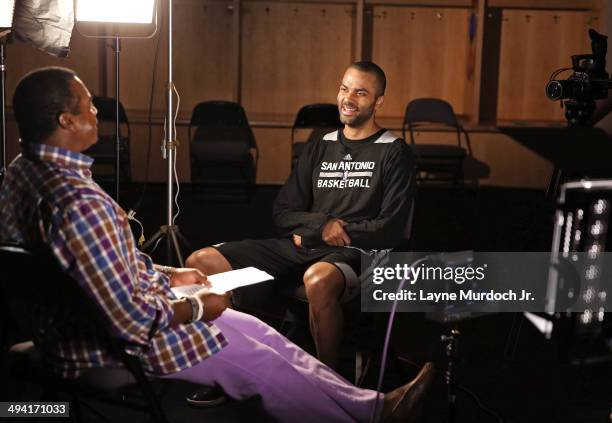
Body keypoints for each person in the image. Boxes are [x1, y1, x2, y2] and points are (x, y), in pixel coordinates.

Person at [0, 66, 431, 423]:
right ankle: (362, 419)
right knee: (262, 362)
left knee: (257, 331)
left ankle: (371, 404)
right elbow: (130, 321)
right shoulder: (81, 201)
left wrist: (169, 275)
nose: (96, 110)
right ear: (66, 122)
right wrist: (197, 307)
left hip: (72, 327)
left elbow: (96, 266)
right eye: (87, 105)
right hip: (111, 346)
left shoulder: (20, 174)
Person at [186, 61, 415, 369]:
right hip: (304, 246)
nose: (348, 99)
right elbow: (282, 211)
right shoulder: (321, 145)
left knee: (317, 279)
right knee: (201, 263)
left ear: (378, 101)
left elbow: (392, 227)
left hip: (356, 251)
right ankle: (234, 364)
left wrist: (329, 231)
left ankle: (328, 385)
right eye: (344, 89)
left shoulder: (395, 151)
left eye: (360, 93)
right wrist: (321, 227)